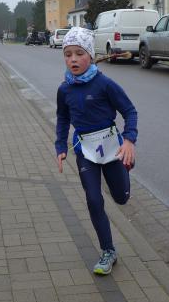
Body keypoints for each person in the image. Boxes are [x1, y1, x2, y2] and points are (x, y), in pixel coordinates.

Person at [55, 27, 137, 275]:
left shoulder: (104, 84)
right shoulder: (64, 89)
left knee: (121, 198)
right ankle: (108, 251)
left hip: (112, 148)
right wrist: (61, 146)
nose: (73, 59)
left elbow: (130, 111)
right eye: (68, 54)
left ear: (90, 55)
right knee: (93, 200)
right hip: (86, 151)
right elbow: (62, 118)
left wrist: (129, 141)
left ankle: (125, 169)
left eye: (79, 54)